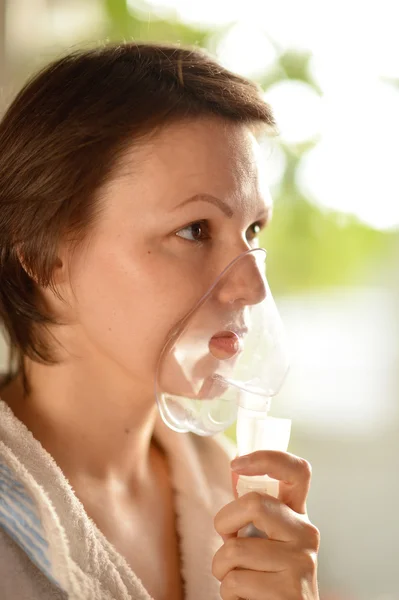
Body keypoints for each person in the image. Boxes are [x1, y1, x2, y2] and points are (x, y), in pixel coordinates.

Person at [0, 42, 320, 600]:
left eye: (253, 232)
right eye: (196, 230)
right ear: (44, 255)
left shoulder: (233, 496)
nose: (252, 287)